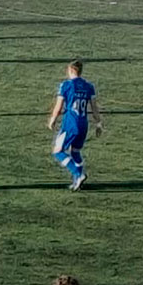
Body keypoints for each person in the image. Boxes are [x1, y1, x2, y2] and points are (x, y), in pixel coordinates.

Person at [47, 59, 103, 191]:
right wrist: (98, 123)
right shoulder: (89, 86)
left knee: (58, 151)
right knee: (75, 151)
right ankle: (77, 181)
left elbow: (59, 106)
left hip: (70, 124)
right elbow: (94, 107)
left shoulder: (66, 85)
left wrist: (53, 119)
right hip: (83, 124)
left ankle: (78, 174)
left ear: (71, 70)